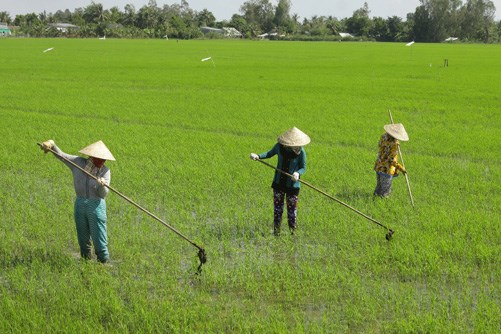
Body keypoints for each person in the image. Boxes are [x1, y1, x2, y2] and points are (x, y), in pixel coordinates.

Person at [40, 139, 115, 263]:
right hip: (80, 204)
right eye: (100, 158)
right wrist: (52, 146)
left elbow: (103, 195)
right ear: (92, 156)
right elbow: (62, 156)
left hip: (96, 206)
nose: (103, 162)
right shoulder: (78, 163)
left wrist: (102, 185)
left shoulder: (105, 172)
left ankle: (104, 262)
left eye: (104, 159)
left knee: (99, 238)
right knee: (83, 238)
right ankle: (86, 262)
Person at [250, 127, 311, 235]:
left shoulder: (301, 152)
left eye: (298, 145)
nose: (297, 148)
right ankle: (276, 232)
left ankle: (293, 233)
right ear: (288, 144)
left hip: (293, 186)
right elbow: (269, 154)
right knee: (278, 210)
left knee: (292, 212)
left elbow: (303, 167)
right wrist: (258, 156)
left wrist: (297, 173)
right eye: (295, 146)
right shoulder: (279, 147)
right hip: (278, 184)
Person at [373, 123, 409, 198]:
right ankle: (382, 204)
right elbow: (392, 161)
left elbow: (379, 145)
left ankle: (374, 199)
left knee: (378, 188)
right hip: (387, 170)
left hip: (379, 166)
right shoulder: (394, 144)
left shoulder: (383, 136)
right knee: (385, 191)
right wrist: (401, 168)